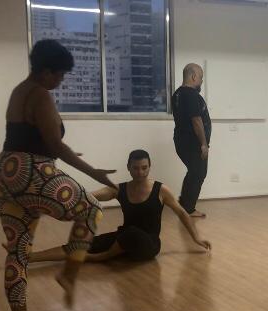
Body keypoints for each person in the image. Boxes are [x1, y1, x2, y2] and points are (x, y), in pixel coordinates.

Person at [0, 39, 116, 311]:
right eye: (60, 74)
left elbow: (30, 139)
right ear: (46, 71)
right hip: (31, 173)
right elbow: (56, 145)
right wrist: (94, 172)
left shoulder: (19, 91)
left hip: (4, 172)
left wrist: (53, 153)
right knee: (92, 209)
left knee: (18, 250)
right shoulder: (41, 94)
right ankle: (68, 274)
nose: (61, 80)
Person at [29, 150, 211, 264]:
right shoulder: (119, 189)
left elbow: (182, 213)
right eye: (136, 168)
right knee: (83, 243)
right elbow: (89, 196)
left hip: (148, 245)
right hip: (123, 237)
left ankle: (101, 257)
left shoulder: (160, 190)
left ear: (149, 167)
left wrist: (197, 238)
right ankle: (29, 257)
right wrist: (53, 203)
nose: (140, 172)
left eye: (144, 168)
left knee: (131, 233)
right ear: (129, 168)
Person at [172, 63, 211, 218]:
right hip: (193, 143)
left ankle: (184, 205)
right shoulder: (190, 94)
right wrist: (203, 144)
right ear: (194, 76)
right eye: (201, 77)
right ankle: (188, 209)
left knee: (194, 172)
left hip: (182, 141)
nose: (201, 81)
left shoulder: (178, 94)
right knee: (198, 172)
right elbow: (196, 120)